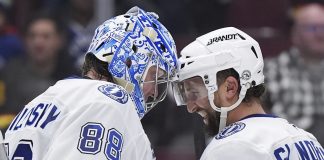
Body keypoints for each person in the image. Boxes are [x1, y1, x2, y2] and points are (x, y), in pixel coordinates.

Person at [4, 6, 178, 159]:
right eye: (154, 75)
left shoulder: (40, 100)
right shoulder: (109, 103)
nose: (154, 91)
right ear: (129, 61)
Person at [172, 27, 324, 159]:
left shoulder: (230, 147)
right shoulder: (308, 141)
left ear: (230, 88)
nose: (190, 107)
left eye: (194, 92)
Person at [0, 12, 77, 132]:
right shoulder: (8, 74)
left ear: (59, 40)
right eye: (32, 36)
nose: (38, 42)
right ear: (24, 40)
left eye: (46, 36)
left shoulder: (73, 78)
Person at [264, 1, 324, 145]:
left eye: (323, 27)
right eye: (312, 28)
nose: (320, 34)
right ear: (295, 33)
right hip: (291, 147)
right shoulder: (272, 69)